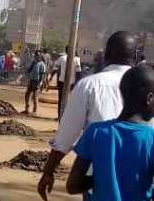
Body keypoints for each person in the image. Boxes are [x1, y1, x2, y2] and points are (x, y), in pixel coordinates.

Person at [38, 31, 136, 200]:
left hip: (98, 181)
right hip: (140, 182)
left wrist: (48, 171)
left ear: (106, 54)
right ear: (135, 56)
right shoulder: (147, 88)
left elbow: (67, 136)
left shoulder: (90, 85)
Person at [66, 65, 154, 201]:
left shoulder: (95, 132)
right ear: (149, 98)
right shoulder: (151, 139)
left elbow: (72, 186)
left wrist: (102, 179)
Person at [52, 46, 82, 118]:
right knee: (70, 100)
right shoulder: (77, 59)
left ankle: (60, 116)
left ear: (65, 51)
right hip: (72, 82)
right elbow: (78, 72)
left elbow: (55, 69)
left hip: (61, 81)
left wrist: (50, 78)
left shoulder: (61, 58)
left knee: (61, 99)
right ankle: (67, 116)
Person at [24, 50, 46, 115]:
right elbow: (29, 70)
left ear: (40, 56)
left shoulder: (42, 64)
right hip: (31, 80)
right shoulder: (34, 63)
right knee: (27, 94)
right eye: (36, 55)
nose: (36, 56)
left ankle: (35, 111)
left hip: (37, 82)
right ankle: (27, 108)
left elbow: (42, 75)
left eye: (37, 55)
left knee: (35, 96)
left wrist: (39, 83)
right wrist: (28, 67)